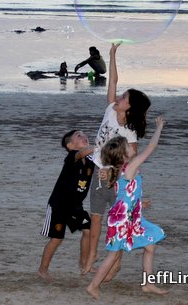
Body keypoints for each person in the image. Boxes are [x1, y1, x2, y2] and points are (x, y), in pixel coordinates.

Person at [83, 42, 150, 275]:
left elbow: (132, 164)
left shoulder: (129, 135)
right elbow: (113, 81)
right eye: (121, 96)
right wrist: (112, 54)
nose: (119, 98)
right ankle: (92, 256)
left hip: (115, 180)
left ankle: (116, 262)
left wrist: (111, 173)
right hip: (96, 170)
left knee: (117, 221)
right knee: (95, 218)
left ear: (129, 108)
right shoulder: (111, 109)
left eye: (124, 98)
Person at [85, 117, 168, 298]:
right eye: (129, 147)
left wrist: (140, 202)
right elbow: (151, 149)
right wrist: (159, 128)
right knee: (113, 255)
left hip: (132, 216)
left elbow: (126, 193)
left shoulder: (118, 169)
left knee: (150, 244)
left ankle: (148, 284)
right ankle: (93, 286)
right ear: (124, 156)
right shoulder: (129, 168)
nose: (133, 147)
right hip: (122, 219)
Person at [38, 129, 95, 280]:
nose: (84, 136)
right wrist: (100, 145)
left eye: (84, 134)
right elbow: (83, 153)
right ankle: (43, 269)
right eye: (79, 135)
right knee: (57, 239)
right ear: (70, 145)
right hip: (59, 205)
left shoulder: (90, 162)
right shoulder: (72, 157)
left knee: (88, 229)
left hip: (76, 206)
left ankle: (83, 262)